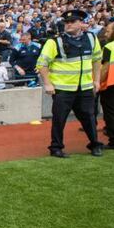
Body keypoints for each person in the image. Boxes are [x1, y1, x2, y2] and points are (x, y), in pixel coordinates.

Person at [37, 10, 104, 158]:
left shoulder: (92, 38)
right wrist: (48, 84)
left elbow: (97, 60)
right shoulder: (55, 41)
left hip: (85, 87)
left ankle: (95, 144)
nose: (68, 25)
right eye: (66, 22)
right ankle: (56, 148)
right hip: (63, 89)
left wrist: (97, 80)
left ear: (81, 23)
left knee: (89, 118)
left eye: (72, 22)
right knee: (59, 119)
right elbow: (42, 64)